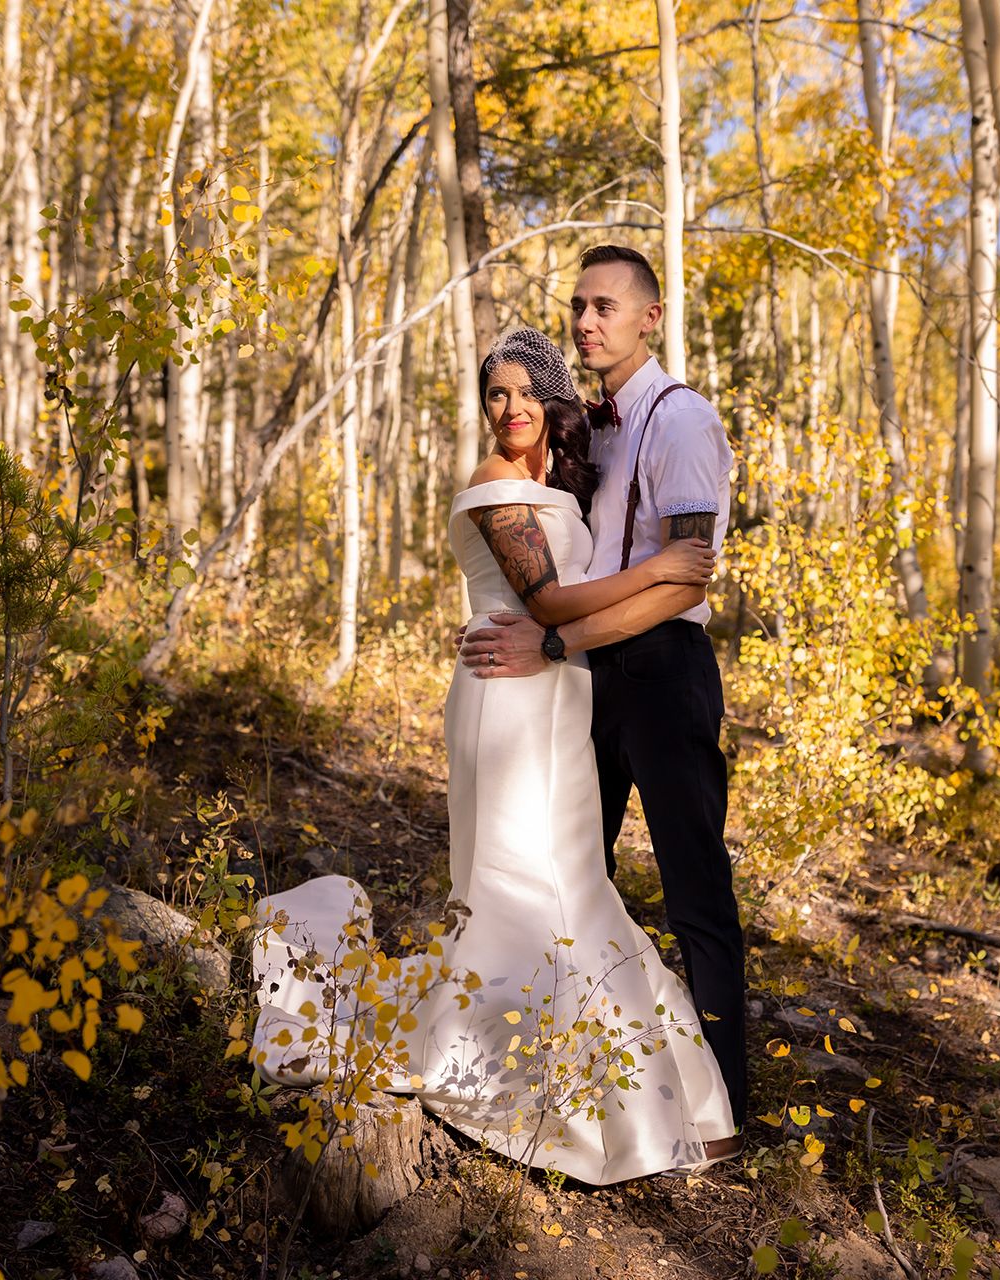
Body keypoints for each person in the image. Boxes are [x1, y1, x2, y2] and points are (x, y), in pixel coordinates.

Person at [249, 323, 737, 1184]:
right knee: (527, 880)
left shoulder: (548, 481)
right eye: (494, 393)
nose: (508, 408)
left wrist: (649, 579)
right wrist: (663, 568)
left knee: (572, 878)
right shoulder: (492, 482)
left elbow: (546, 602)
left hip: (557, 696)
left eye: (522, 391)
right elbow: (546, 601)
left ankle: (630, 1088)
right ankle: (536, 1082)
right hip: (506, 698)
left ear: (552, 400)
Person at [457, 246, 746, 1162]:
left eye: (607, 307)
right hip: (585, 686)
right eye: (579, 306)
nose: (588, 322)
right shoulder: (591, 432)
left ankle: (725, 1105)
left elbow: (687, 579)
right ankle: (585, 1083)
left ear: (649, 318)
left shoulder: (682, 418)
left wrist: (552, 640)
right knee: (571, 875)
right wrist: (553, 642)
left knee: (695, 886)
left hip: (660, 675)